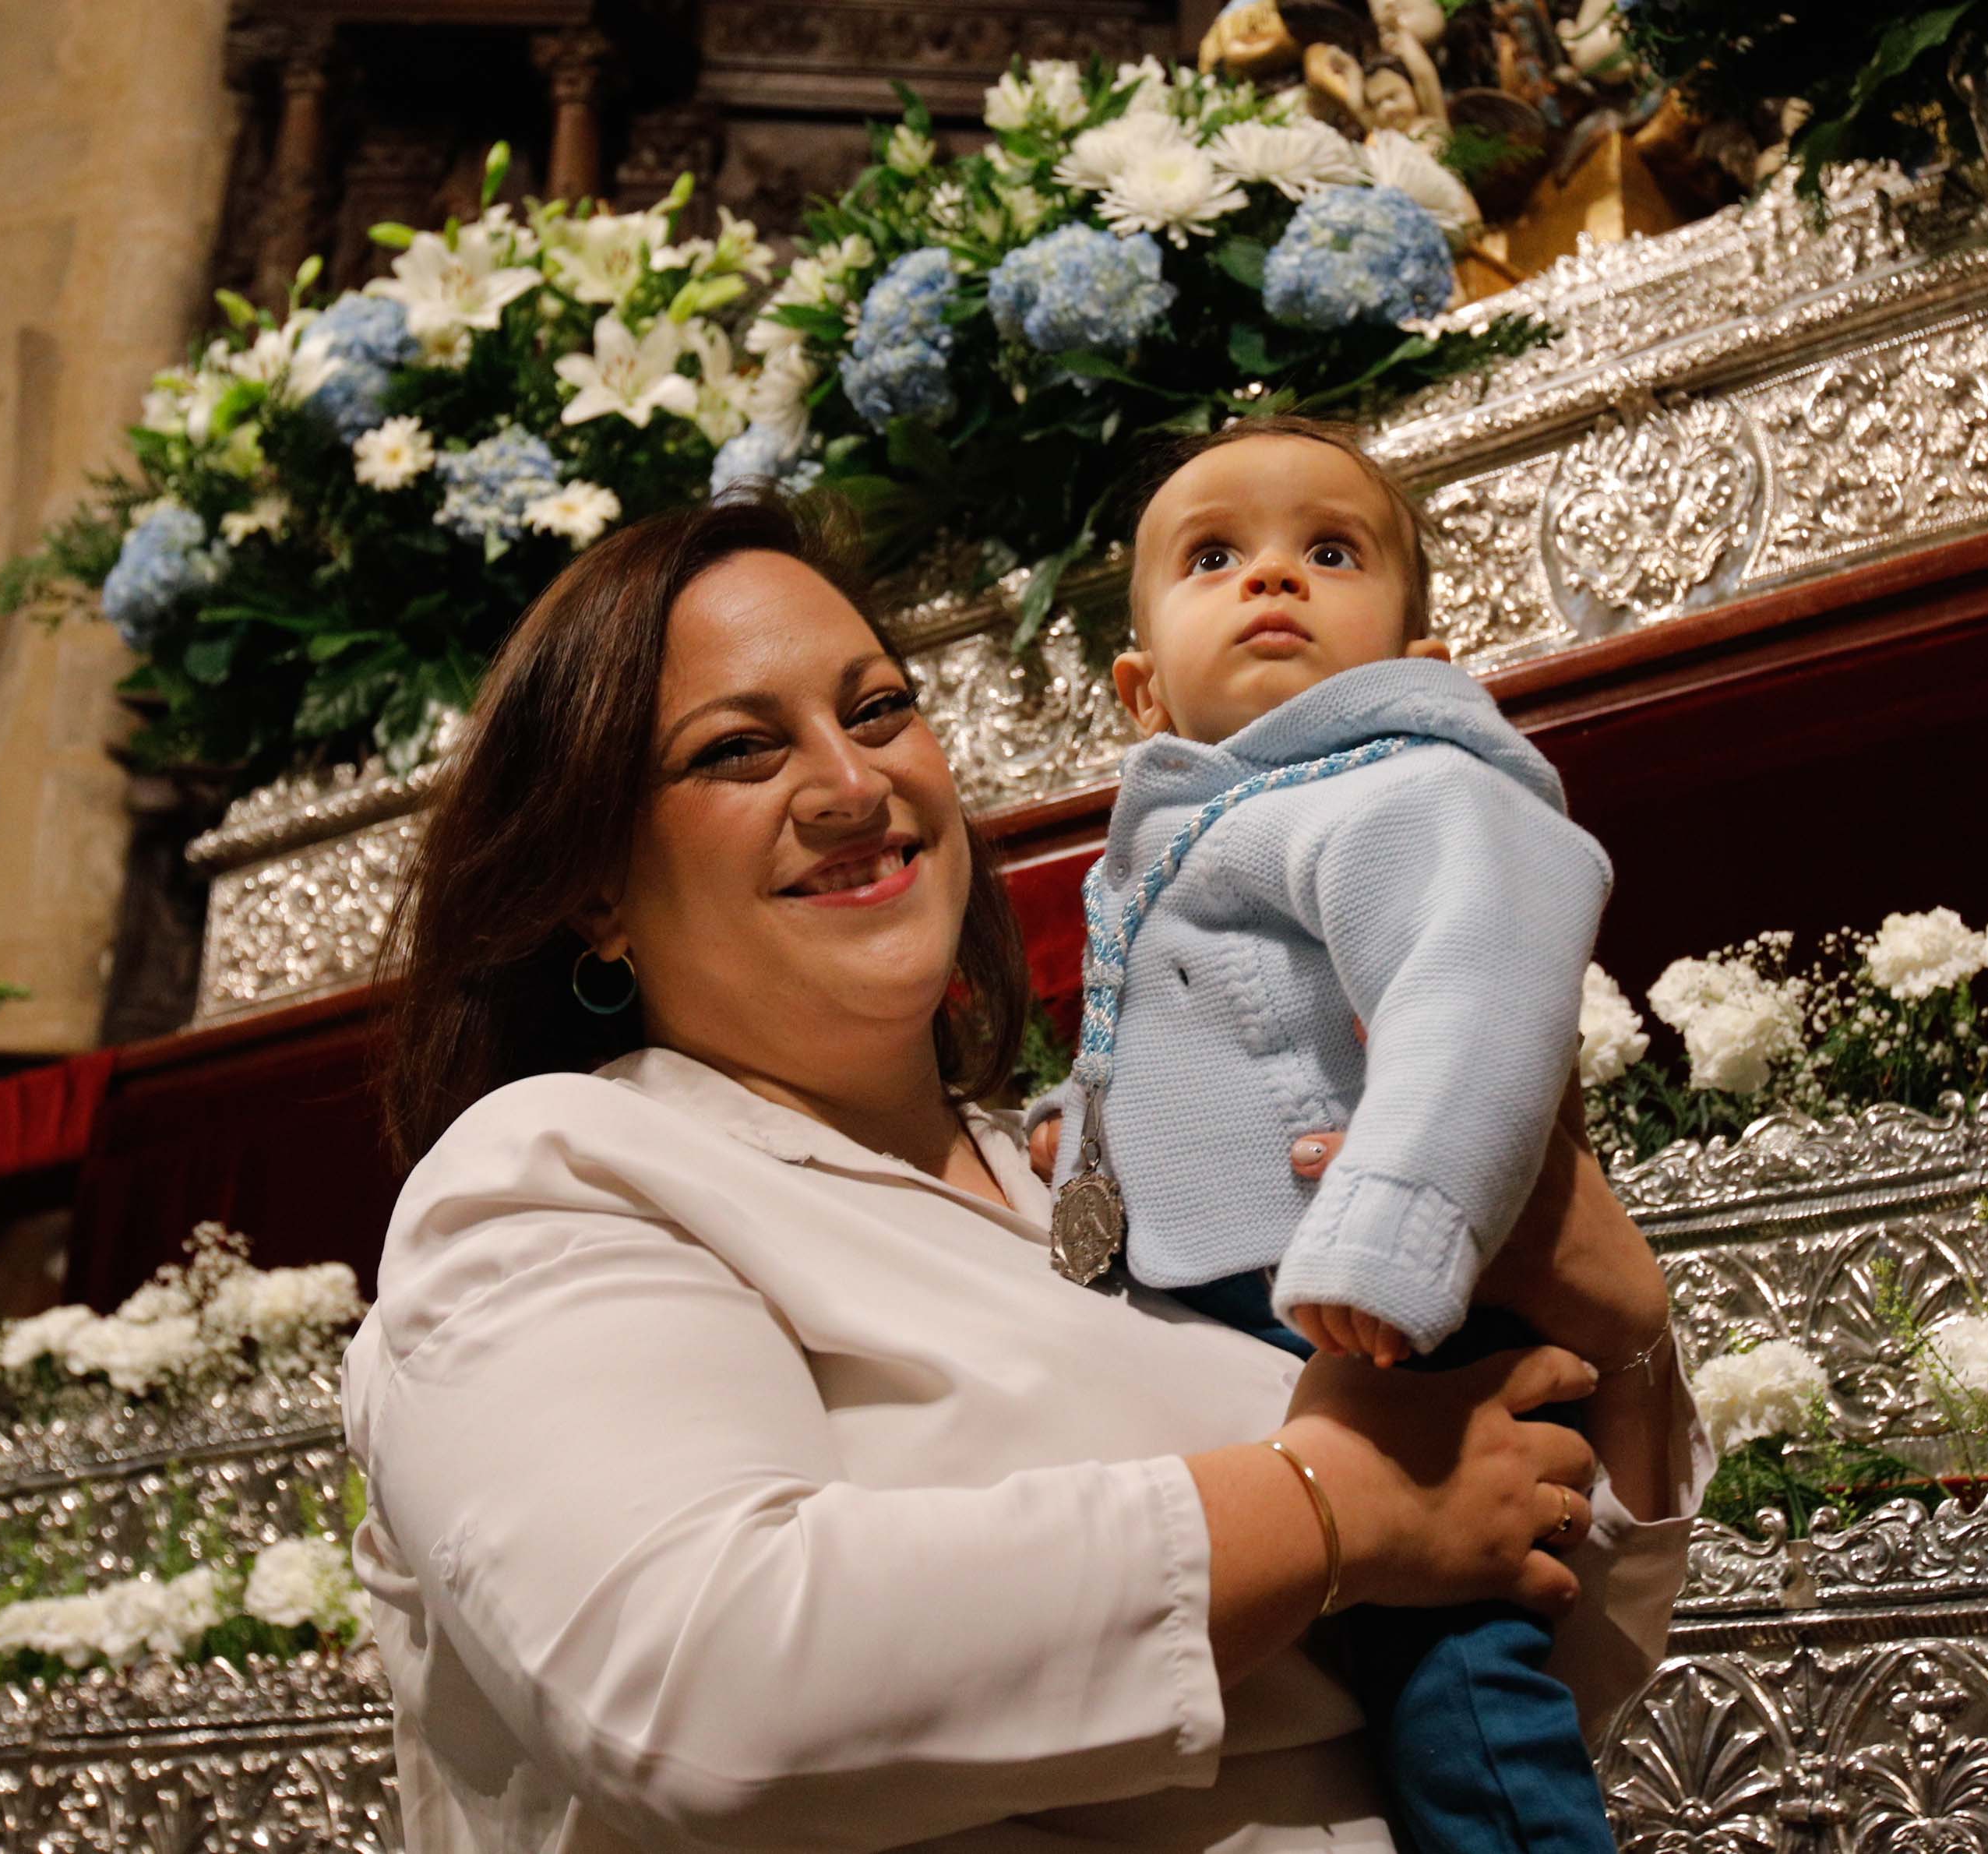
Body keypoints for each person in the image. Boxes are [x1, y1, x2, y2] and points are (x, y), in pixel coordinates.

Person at [344, 490, 1706, 1852]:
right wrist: (1329, 1507)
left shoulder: (1098, 1166)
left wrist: (1618, 1333)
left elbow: (1524, 1690)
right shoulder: (553, 1177)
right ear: (592, 886)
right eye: (741, 750)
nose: (853, 786)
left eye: (877, 711)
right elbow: (697, 1692)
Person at [1030, 415, 1627, 1854]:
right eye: (1216, 554)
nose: (1273, 578)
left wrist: (1396, 1226)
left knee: (1458, 1688)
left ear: (1420, 658)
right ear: (1137, 686)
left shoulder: (1410, 788)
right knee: (1351, 1669)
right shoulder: (1199, 819)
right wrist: (1079, 1135)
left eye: (1332, 551)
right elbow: (1195, 1029)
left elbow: (1475, 988)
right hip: (1257, 1317)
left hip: (1369, 1309)